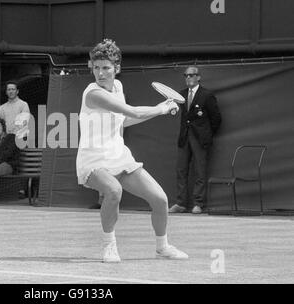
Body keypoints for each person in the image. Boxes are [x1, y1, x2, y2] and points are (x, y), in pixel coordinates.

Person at [77, 39, 188, 262]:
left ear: (116, 68)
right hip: (93, 160)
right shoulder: (93, 94)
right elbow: (134, 112)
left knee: (160, 200)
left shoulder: (118, 87)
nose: (100, 73)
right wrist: (161, 108)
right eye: (96, 67)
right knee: (113, 191)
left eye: (106, 68)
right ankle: (109, 246)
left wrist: (158, 111)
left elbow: (124, 120)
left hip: (119, 156)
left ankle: (162, 247)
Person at [169, 66, 222, 214]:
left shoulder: (207, 95)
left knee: (200, 171)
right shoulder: (181, 95)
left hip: (200, 139)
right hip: (184, 137)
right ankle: (180, 203)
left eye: (191, 75)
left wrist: (207, 134)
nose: (188, 78)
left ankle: (198, 203)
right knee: (181, 170)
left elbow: (216, 119)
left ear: (198, 77)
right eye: (186, 75)